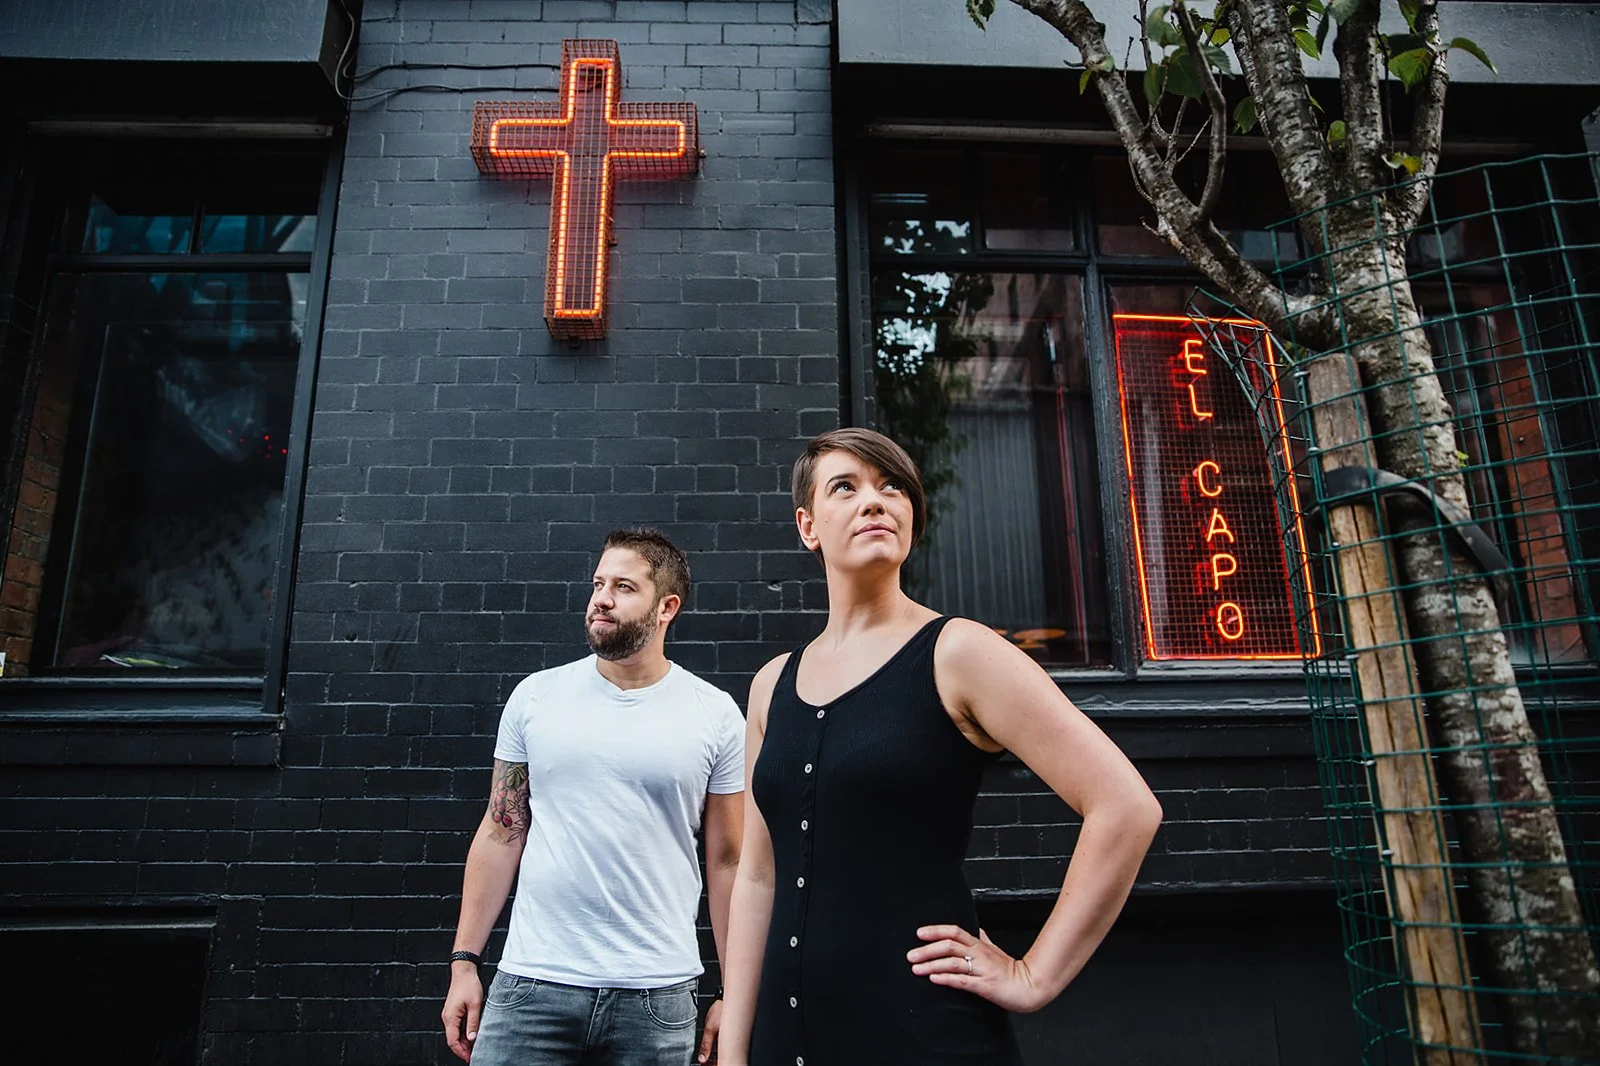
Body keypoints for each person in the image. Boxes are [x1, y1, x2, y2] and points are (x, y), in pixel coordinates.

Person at [716, 429, 1164, 1066]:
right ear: (808, 526)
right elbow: (760, 878)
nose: (875, 501)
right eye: (846, 487)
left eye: (891, 486)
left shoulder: (958, 654)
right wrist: (736, 1051)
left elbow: (1124, 806)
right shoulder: (770, 687)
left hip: (924, 1040)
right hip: (788, 1047)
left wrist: (1032, 976)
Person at [442, 528, 746, 1066]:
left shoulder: (715, 713)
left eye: (624, 586)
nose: (601, 597)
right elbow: (501, 829)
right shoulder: (537, 697)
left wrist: (731, 992)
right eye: (598, 583)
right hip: (530, 988)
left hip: (657, 998)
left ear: (666, 607)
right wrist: (465, 961)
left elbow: (727, 861)